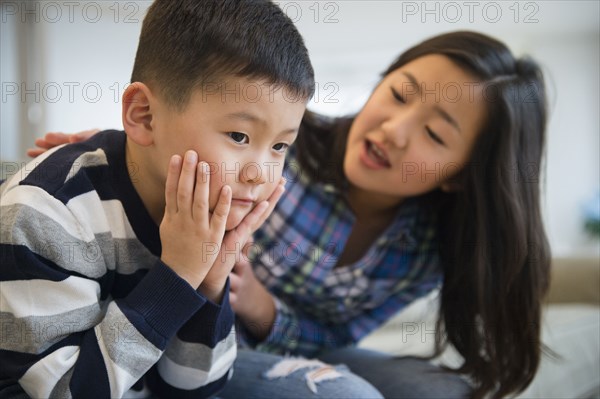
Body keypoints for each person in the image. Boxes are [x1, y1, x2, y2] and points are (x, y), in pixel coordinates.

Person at [26, 31, 551, 399]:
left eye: (435, 134)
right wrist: (120, 152)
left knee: (443, 390)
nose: (393, 129)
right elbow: (190, 134)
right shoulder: (277, 145)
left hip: (262, 338)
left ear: (461, 174)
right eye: (397, 95)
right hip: (194, 335)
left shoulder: (426, 251)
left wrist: (261, 307)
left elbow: (338, 337)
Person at [0, 0, 333, 397]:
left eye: (280, 146)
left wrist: (210, 284)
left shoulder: (210, 216)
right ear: (144, 116)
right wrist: (176, 277)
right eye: (239, 137)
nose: (258, 173)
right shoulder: (49, 213)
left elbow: (195, 389)